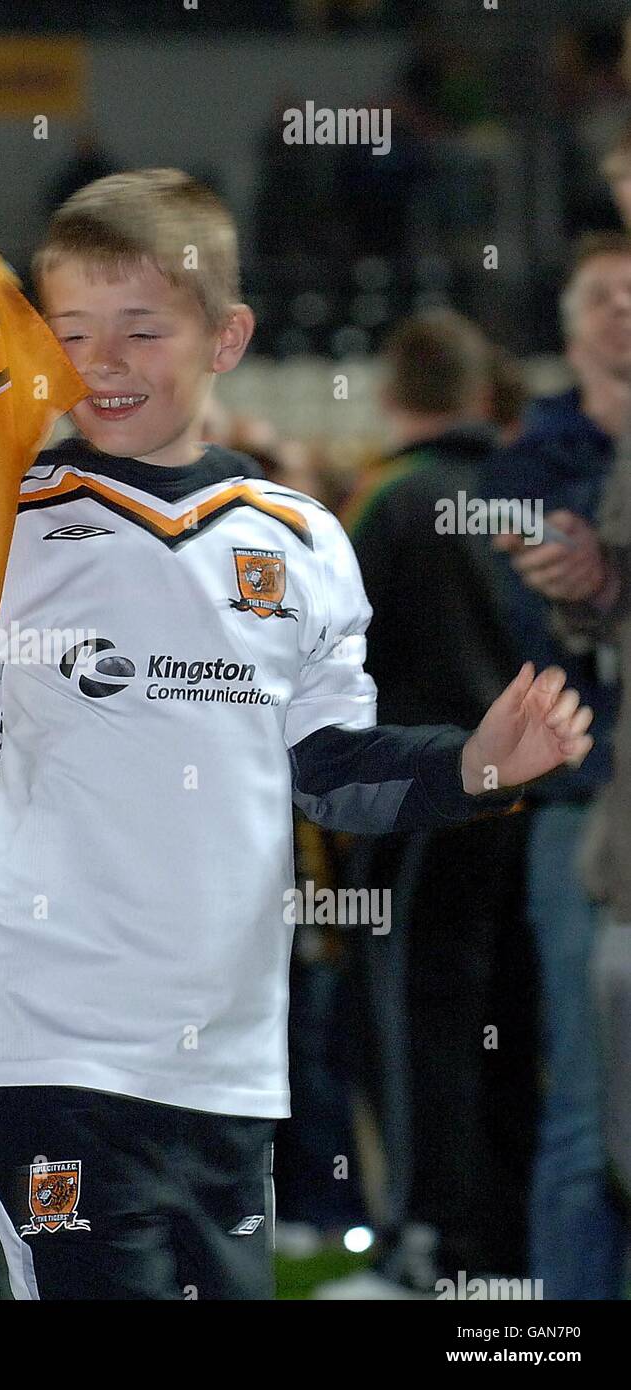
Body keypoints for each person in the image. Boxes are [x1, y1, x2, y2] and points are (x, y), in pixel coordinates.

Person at [0, 169, 594, 1301]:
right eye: (72, 331)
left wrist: (476, 764)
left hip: (224, 1063)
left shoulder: (305, 539)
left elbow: (329, 774)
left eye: (141, 327)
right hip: (46, 1051)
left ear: (225, 337)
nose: (104, 360)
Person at [322, 311, 534, 1296]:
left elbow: (324, 652)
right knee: (499, 1030)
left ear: (389, 388)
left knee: (412, 1027)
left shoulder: (391, 499)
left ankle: (425, 1252)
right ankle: (494, 1257)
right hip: (527, 806)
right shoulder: (519, 497)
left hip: (419, 799)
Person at [486, 233, 630, 1299]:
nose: (622, 311)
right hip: (584, 814)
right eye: (601, 296)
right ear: (568, 321)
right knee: (587, 1105)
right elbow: (523, 624)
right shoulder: (526, 462)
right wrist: (578, 580)